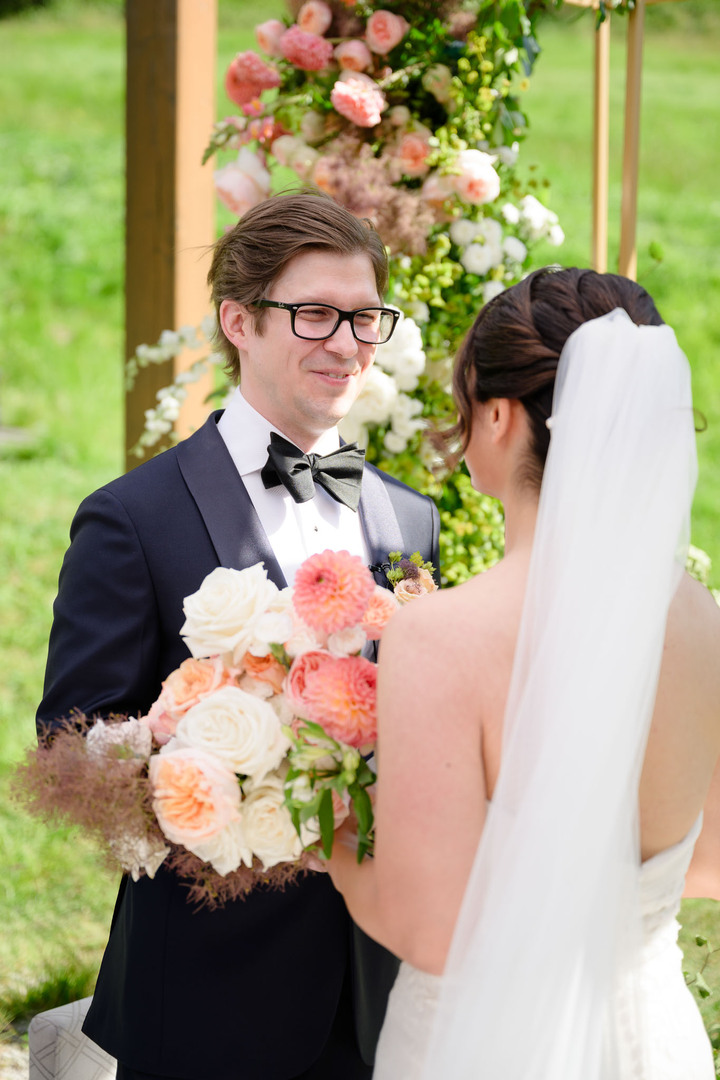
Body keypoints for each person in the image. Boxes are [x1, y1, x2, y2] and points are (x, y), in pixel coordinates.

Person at [36, 190, 440, 1080]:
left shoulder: (410, 518)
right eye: (314, 314)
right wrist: (220, 765)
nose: (346, 344)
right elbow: (70, 742)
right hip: (206, 994)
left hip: (379, 990)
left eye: (366, 318)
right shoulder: (132, 518)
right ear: (238, 321)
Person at [327, 267, 720, 1079]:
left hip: (483, 1045)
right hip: (652, 1040)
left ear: (499, 414)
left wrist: (326, 826)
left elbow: (433, 931)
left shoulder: (440, 637)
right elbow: (709, 861)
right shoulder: (701, 619)